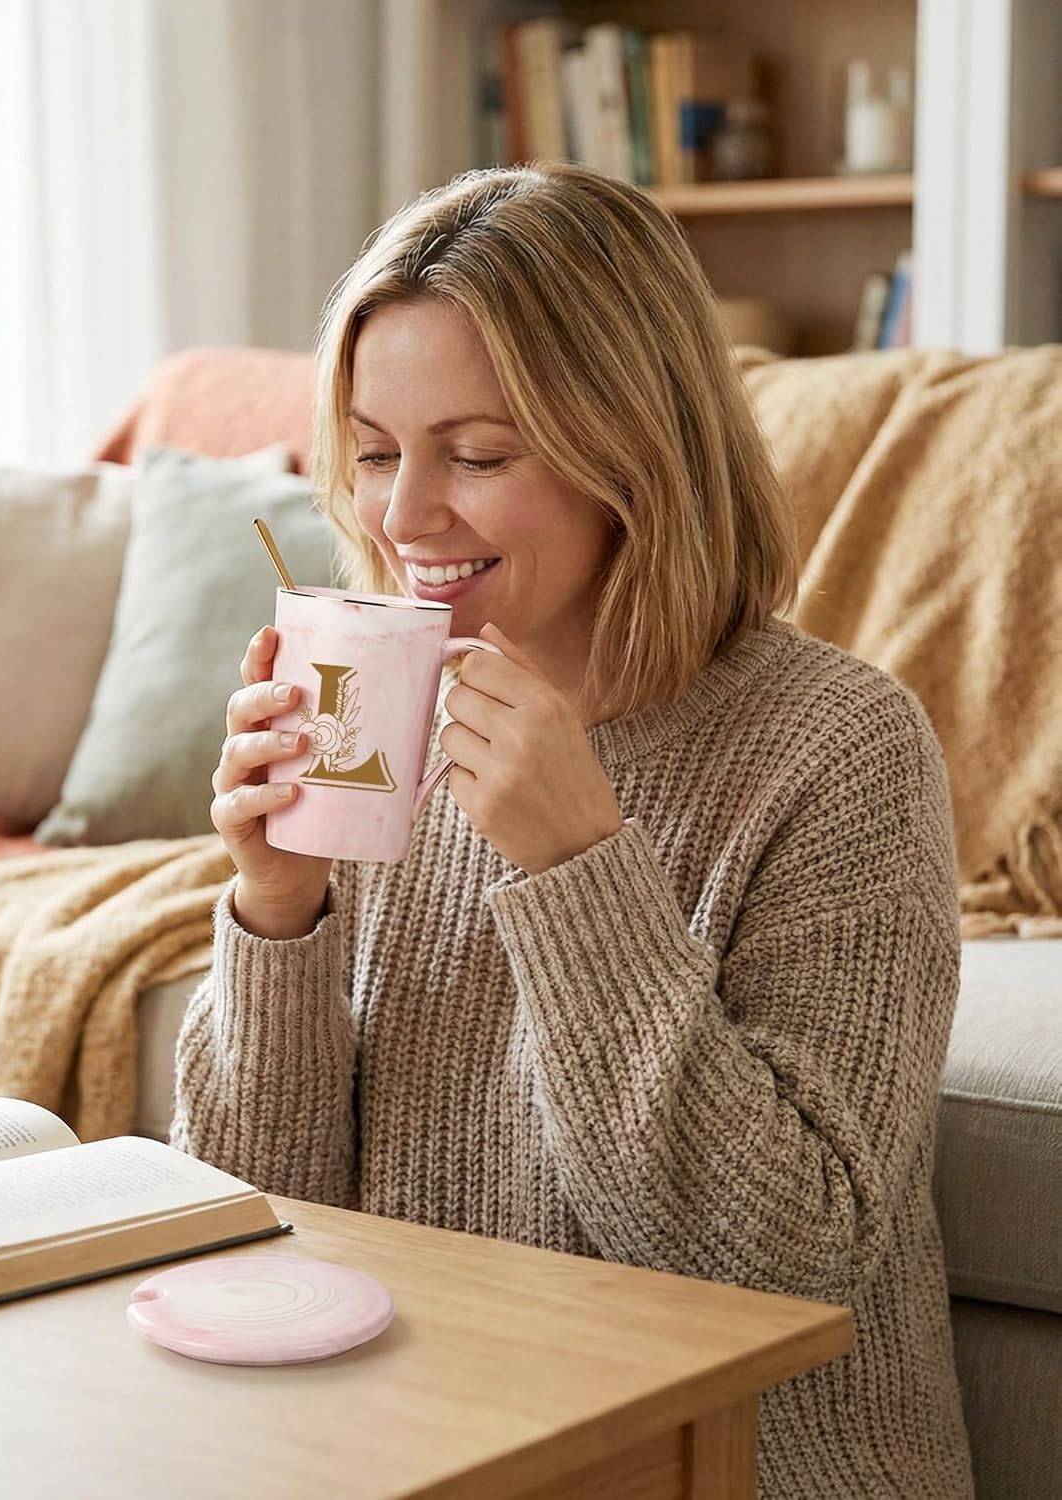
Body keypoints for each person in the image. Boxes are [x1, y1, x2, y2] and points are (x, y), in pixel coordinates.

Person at [170, 163, 973, 1498]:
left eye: (477, 454)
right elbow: (255, 1231)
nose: (403, 516)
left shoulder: (842, 752)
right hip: (427, 1454)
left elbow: (779, 1266)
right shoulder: (380, 716)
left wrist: (579, 866)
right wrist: (278, 913)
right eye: (374, 452)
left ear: (635, 448)